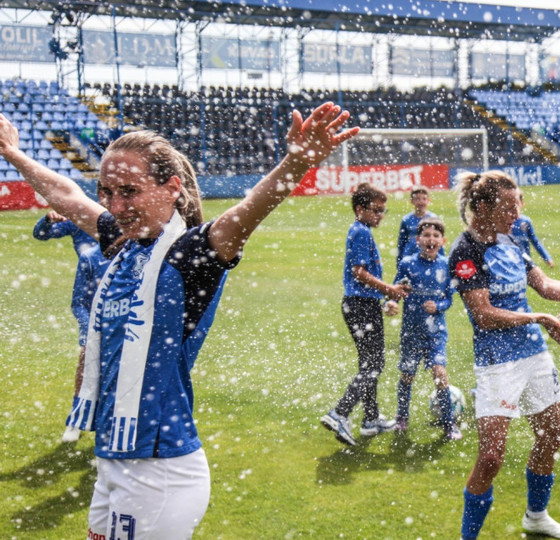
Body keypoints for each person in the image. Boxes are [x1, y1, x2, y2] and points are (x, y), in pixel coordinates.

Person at [0, 102, 358, 539]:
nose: (115, 205)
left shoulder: (190, 254)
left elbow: (247, 211)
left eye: (128, 191)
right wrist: (13, 153)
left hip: (158, 469)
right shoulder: (124, 243)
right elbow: (67, 196)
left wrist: (298, 160)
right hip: (114, 458)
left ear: (171, 188)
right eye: (108, 192)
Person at [449, 170, 560, 540]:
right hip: (497, 363)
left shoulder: (511, 240)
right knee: (491, 458)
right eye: (509, 207)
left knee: (551, 437)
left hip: (534, 356)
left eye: (519, 205)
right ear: (481, 207)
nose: (517, 213)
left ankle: (536, 517)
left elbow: (544, 285)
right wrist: (538, 318)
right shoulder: (465, 251)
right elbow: (484, 314)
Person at [321, 182, 410, 447]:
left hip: (360, 304)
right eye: (376, 210)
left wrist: (383, 300)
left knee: (368, 365)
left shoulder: (362, 229)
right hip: (361, 306)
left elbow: (360, 278)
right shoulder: (360, 231)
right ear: (360, 209)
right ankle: (340, 413)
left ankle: (370, 420)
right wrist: (389, 290)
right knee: (374, 366)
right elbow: (359, 272)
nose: (381, 215)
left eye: (384, 210)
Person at [33, 211, 105, 442]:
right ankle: (76, 421)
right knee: (86, 363)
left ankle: (112, 424)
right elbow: (41, 234)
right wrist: (47, 219)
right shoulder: (79, 222)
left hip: (124, 297)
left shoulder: (124, 223)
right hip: (91, 296)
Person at [385, 217, 460, 440]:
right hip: (411, 332)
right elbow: (397, 291)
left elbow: (449, 299)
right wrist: (391, 303)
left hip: (436, 333)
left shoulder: (446, 266)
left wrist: (438, 306)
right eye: (426, 235)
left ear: (443, 240)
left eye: (436, 236)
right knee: (407, 375)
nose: (431, 239)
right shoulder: (408, 263)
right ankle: (401, 418)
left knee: (440, 374)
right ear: (418, 240)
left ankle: (449, 424)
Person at [396, 186, 442, 264]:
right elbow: (402, 242)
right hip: (410, 254)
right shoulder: (406, 220)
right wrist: (399, 260)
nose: (421, 202)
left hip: (428, 254)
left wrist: (441, 257)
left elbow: (438, 240)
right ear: (411, 201)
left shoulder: (433, 218)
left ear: (428, 200)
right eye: (417, 199)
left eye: (424, 199)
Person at [510, 189, 555, 268]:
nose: (515, 208)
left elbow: (535, 241)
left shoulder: (525, 222)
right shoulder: (506, 222)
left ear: (522, 204)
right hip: (510, 260)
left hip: (525, 260)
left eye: (517, 204)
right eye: (512, 205)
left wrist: (547, 257)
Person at [33, 209, 98, 256]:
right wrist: (48, 219)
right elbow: (40, 234)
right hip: (91, 272)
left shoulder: (81, 217)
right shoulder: (80, 218)